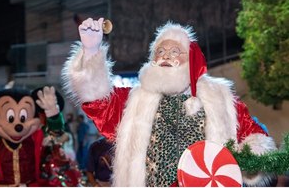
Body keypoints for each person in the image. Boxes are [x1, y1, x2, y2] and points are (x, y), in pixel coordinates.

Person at [61, 17, 278, 186]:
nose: (166, 56)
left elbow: (254, 136)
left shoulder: (219, 99)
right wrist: (91, 53)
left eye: (175, 51)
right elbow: (98, 103)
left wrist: (248, 161)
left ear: (192, 59)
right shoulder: (133, 100)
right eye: (160, 51)